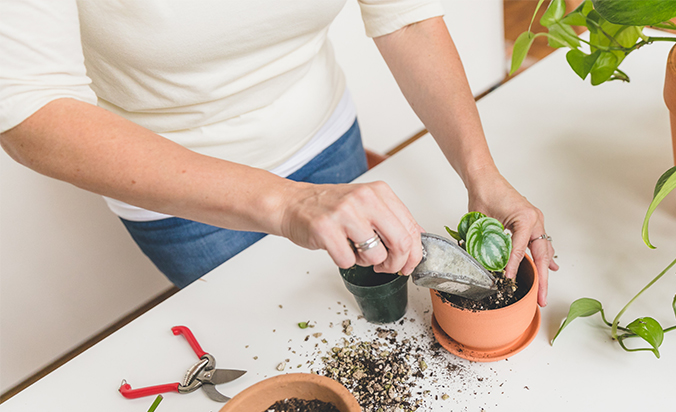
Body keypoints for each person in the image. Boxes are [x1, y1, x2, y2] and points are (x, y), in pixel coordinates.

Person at [0, 0, 558, 305]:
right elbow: (28, 112)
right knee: (271, 329)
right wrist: (289, 204)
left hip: (326, 136)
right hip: (181, 195)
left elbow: (405, 16)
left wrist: (481, 174)